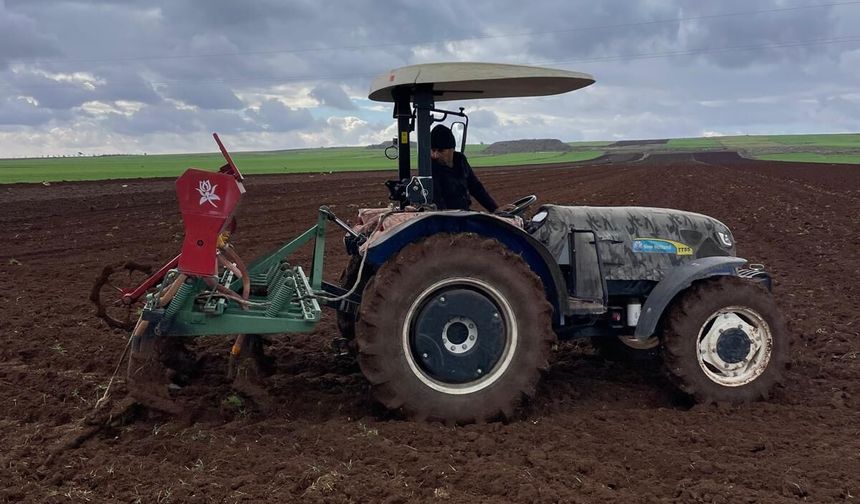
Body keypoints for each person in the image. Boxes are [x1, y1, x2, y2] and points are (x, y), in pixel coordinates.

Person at [430, 124, 499, 212]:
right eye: (433, 150)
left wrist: (495, 209)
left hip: (464, 213)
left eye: (440, 151)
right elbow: (437, 201)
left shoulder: (460, 160)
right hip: (446, 217)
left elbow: (475, 187)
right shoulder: (431, 168)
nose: (435, 155)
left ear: (452, 149)